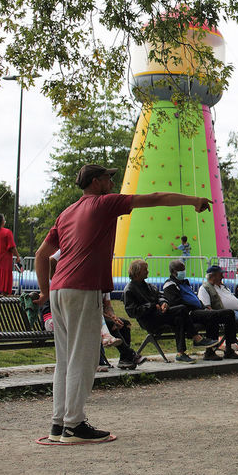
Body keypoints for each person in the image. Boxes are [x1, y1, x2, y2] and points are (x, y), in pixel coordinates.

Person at [33, 163, 211, 443]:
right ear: (95, 181)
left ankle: (58, 425)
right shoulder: (104, 203)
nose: (111, 181)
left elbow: (41, 255)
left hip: (59, 290)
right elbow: (155, 198)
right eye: (107, 177)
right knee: (84, 357)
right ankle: (74, 425)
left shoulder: (66, 212)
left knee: (65, 359)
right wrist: (193, 201)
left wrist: (44, 291)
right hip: (82, 287)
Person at [124, 260, 214, 364]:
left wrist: (164, 303)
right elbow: (132, 312)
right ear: (137, 272)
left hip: (159, 315)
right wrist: (152, 306)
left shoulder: (149, 286)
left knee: (179, 318)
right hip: (149, 320)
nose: (148, 271)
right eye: (145, 269)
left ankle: (181, 353)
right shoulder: (130, 290)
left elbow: (160, 296)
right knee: (181, 308)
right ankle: (196, 337)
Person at [163, 259, 238, 360]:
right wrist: (196, 307)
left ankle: (224, 350)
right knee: (224, 314)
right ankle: (211, 352)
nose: (183, 272)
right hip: (189, 313)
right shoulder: (170, 284)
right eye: (181, 270)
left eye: (184, 269)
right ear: (174, 271)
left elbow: (193, 298)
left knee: (226, 315)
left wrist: (203, 307)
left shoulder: (185, 283)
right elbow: (176, 303)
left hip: (199, 310)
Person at [102, 292, 144, 370]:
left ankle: (125, 358)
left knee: (125, 324)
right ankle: (130, 354)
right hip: (95, 317)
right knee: (112, 324)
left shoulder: (105, 287)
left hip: (104, 317)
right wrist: (112, 319)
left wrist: (114, 317)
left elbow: (108, 306)